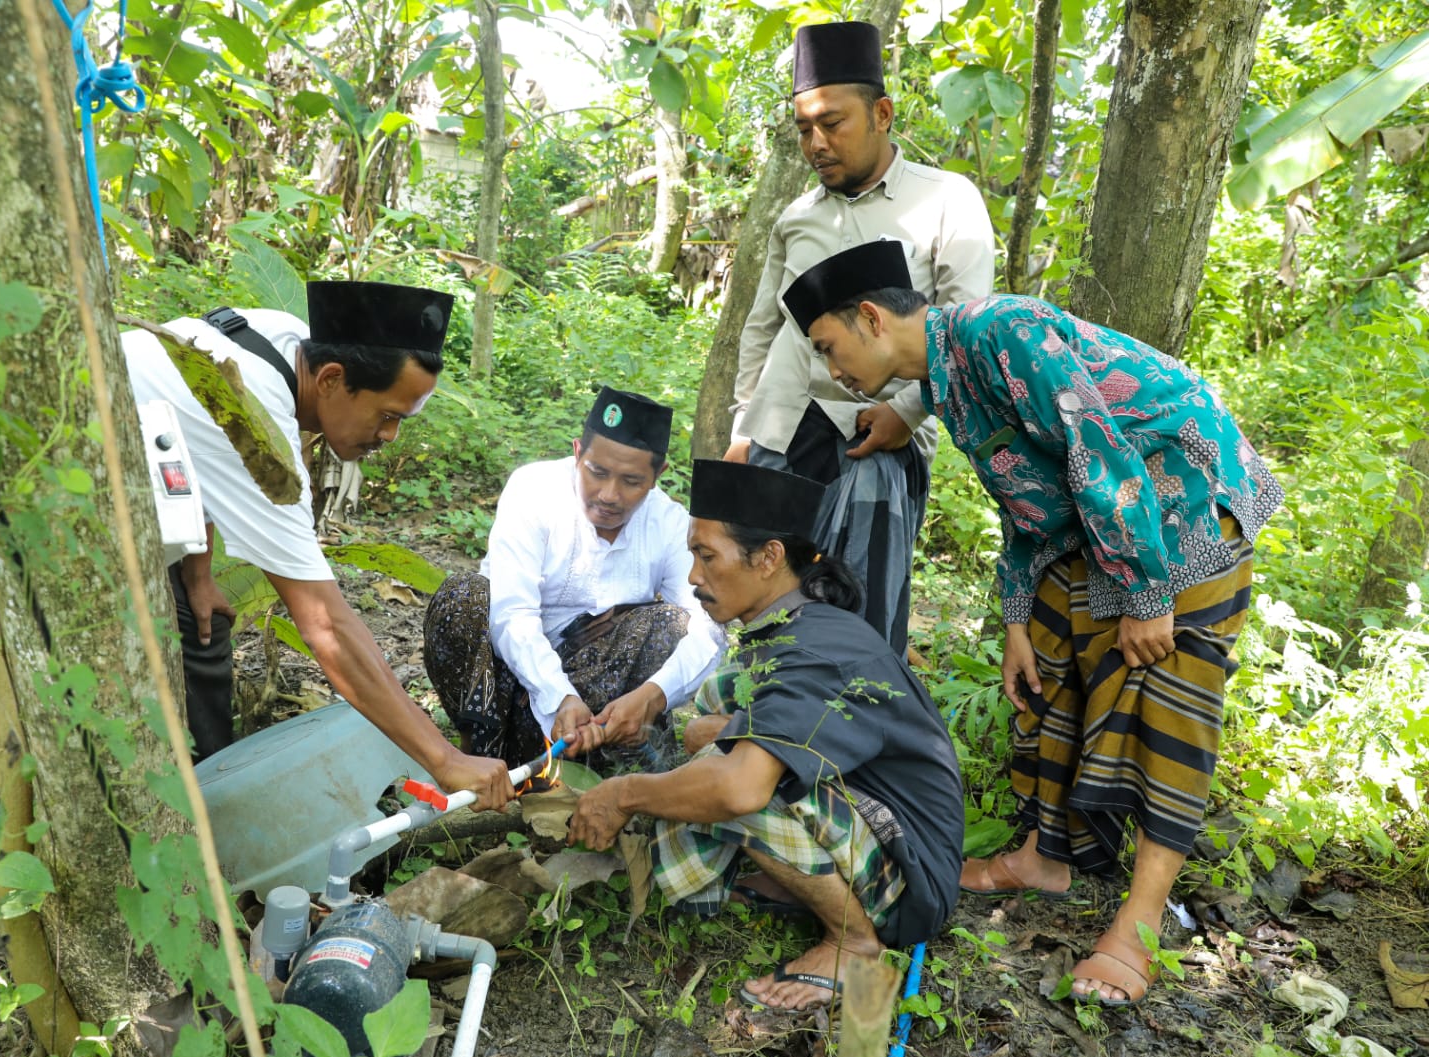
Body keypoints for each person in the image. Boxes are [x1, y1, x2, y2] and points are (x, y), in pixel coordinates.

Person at [782, 240, 1286, 1005]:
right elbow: (1030, 502)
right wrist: (1018, 617)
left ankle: (1141, 920)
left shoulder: (999, 328)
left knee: (1169, 693)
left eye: (829, 347)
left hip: (1185, 508)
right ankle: (1045, 856)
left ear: (873, 318)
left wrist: (1148, 596)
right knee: (1043, 659)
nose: (832, 369)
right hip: (1106, 525)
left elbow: (1096, 447)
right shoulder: (949, 382)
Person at [0, 280, 514, 809]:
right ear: (333, 380)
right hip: (2, 510)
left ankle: (209, 797)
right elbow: (326, 628)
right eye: (386, 415)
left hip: (96, 501)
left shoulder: (288, 341)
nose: (389, 435)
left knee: (199, 627)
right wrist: (443, 759)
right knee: (92, 699)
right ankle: (61, 825)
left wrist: (198, 573)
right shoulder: (257, 419)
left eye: (403, 420)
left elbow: (184, 437)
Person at [568, 460, 963, 1013]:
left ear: (770, 557)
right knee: (719, 731)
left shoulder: (815, 651)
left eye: (707, 556)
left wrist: (623, 792)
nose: (692, 577)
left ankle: (853, 941)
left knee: (735, 784)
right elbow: (712, 732)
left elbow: (738, 790)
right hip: (883, 823)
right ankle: (807, 877)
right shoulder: (792, 626)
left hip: (913, 875)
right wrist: (719, 737)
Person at [723, 20, 995, 654]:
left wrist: (905, 413)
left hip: (875, 445)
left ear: (882, 113)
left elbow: (964, 332)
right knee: (769, 608)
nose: (817, 142)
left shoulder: (947, 202)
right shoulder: (797, 219)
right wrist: (745, 429)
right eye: (803, 129)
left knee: (861, 614)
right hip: (780, 435)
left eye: (833, 123)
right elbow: (764, 327)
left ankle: (857, 742)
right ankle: (766, 741)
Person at [423, 387, 724, 770]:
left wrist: (654, 695)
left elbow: (708, 630)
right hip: (503, 681)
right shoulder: (534, 490)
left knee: (671, 625)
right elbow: (512, 613)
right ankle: (479, 752)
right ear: (578, 451)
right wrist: (559, 696)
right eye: (596, 473)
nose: (609, 495)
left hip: (592, 701)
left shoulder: (668, 522)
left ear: (657, 476)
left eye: (631, 481)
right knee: (463, 596)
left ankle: (594, 755)